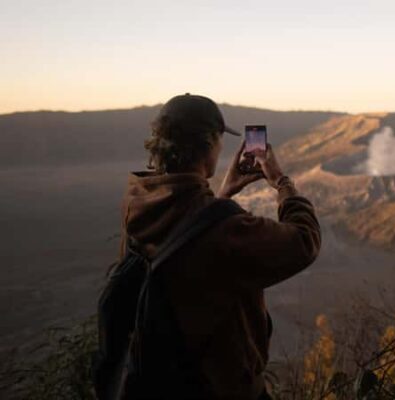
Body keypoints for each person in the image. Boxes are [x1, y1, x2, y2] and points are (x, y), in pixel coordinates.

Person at [118, 93, 321, 399]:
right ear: (209, 144)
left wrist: (221, 194)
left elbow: (187, 238)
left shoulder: (139, 202)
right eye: (219, 141)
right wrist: (281, 182)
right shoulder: (226, 230)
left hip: (165, 382)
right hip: (219, 387)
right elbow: (304, 241)